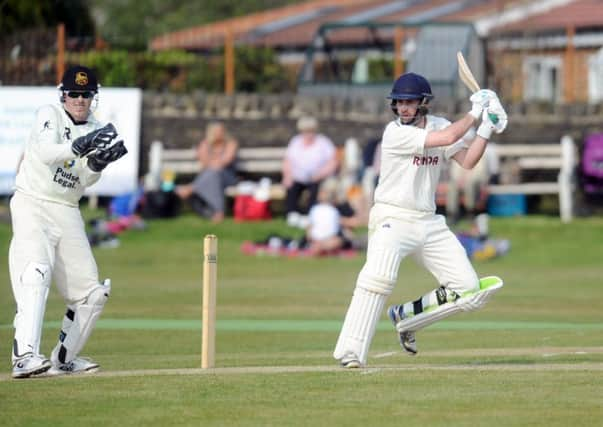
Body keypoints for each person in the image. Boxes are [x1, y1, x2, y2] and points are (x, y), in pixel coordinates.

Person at [333, 72, 508, 368]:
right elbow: (449, 137)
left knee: (469, 291)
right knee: (378, 279)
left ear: (423, 103)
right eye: (399, 102)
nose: (403, 108)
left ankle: (407, 317)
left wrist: (487, 128)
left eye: (409, 102)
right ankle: (350, 352)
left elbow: (467, 161)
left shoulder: (440, 125)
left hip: (428, 221)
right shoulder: (395, 133)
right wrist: (475, 112)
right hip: (392, 216)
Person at [8, 65, 127, 378]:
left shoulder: (96, 127)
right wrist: (79, 146)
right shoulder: (50, 114)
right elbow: (47, 153)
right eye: (74, 93)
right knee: (36, 273)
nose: (79, 100)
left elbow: (85, 178)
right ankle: (24, 357)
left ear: (93, 98)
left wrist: (98, 164)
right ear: (63, 94)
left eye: (86, 95)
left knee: (92, 294)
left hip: (67, 208)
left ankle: (63, 360)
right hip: (32, 201)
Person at [175, 122, 238, 222]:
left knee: (214, 174)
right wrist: (214, 163)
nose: (219, 133)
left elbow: (225, 161)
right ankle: (218, 211)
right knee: (213, 176)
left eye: (221, 131)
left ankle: (191, 187)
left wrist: (213, 163)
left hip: (228, 177)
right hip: (210, 178)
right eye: (216, 131)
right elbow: (204, 161)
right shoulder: (205, 144)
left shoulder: (231, 143)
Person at [281, 115, 338, 221]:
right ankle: (292, 214)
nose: (308, 134)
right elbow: (287, 160)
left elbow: (333, 162)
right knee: (291, 186)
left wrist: (320, 174)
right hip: (297, 177)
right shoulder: (295, 141)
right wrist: (287, 175)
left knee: (315, 188)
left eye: (310, 131)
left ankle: (311, 213)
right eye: (305, 131)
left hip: (317, 177)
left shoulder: (323, 142)